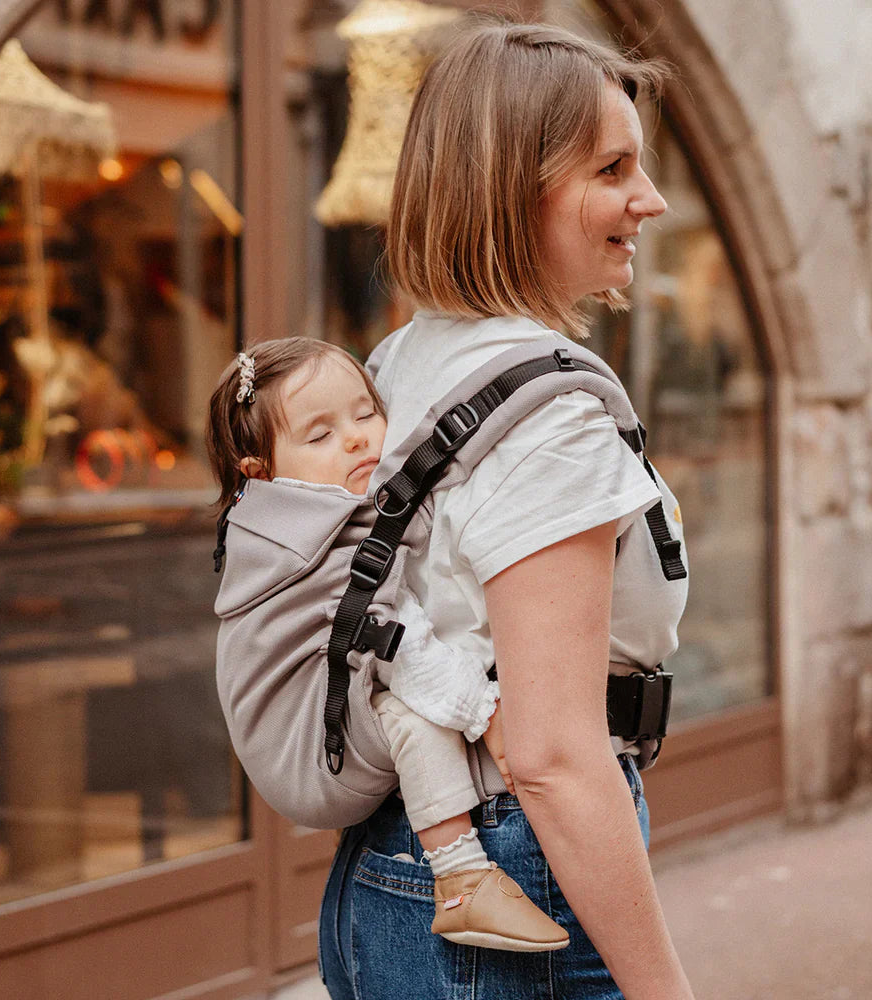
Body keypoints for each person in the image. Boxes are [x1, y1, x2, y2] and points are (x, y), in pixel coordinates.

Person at [317, 21, 695, 1000]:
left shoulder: (403, 359)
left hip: (395, 861)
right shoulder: (551, 413)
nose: (650, 199)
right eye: (611, 168)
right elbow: (553, 757)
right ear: (508, 191)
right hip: (509, 875)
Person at [206, 335, 569, 952]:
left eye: (365, 413)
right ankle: (461, 879)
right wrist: (486, 715)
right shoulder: (301, 546)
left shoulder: (311, 516)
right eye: (319, 436)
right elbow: (397, 644)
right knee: (411, 714)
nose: (354, 439)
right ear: (260, 472)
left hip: (322, 721)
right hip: (306, 752)